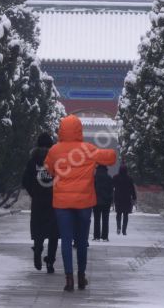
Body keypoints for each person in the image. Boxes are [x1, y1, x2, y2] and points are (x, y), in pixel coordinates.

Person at [45, 114, 116, 292]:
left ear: (61, 130)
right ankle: (81, 276)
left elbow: (49, 169)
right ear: (79, 130)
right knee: (82, 241)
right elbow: (111, 158)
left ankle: (69, 278)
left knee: (66, 240)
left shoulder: (54, 150)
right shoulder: (88, 149)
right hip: (84, 203)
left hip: (61, 203)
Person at [22, 132, 59, 273]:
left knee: (39, 230)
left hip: (38, 201)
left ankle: (37, 249)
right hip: (54, 201)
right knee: (54, 233)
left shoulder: (32, 161)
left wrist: (34, 192)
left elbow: (25, 180)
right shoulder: (56, 160)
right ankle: (50, 261)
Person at [113, 163, 137, 236]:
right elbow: (132, 189)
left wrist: (111, 197)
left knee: (119, 214)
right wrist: (134, 197)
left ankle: (118, 227)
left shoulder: (115, 177)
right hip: (126, 198)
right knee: (126, 215)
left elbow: (112, 187)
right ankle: (124, 230)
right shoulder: (129, 178)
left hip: (118, 198)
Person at [92, 165, 113, 241]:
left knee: (96, 220)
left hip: (96, 201)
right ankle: (105, 237)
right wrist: (110, 200)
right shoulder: (109, 178)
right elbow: (111, 190)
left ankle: (96, 236)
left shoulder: (94, 178)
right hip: (106, 201)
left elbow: (92, 190)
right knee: (105, 219)